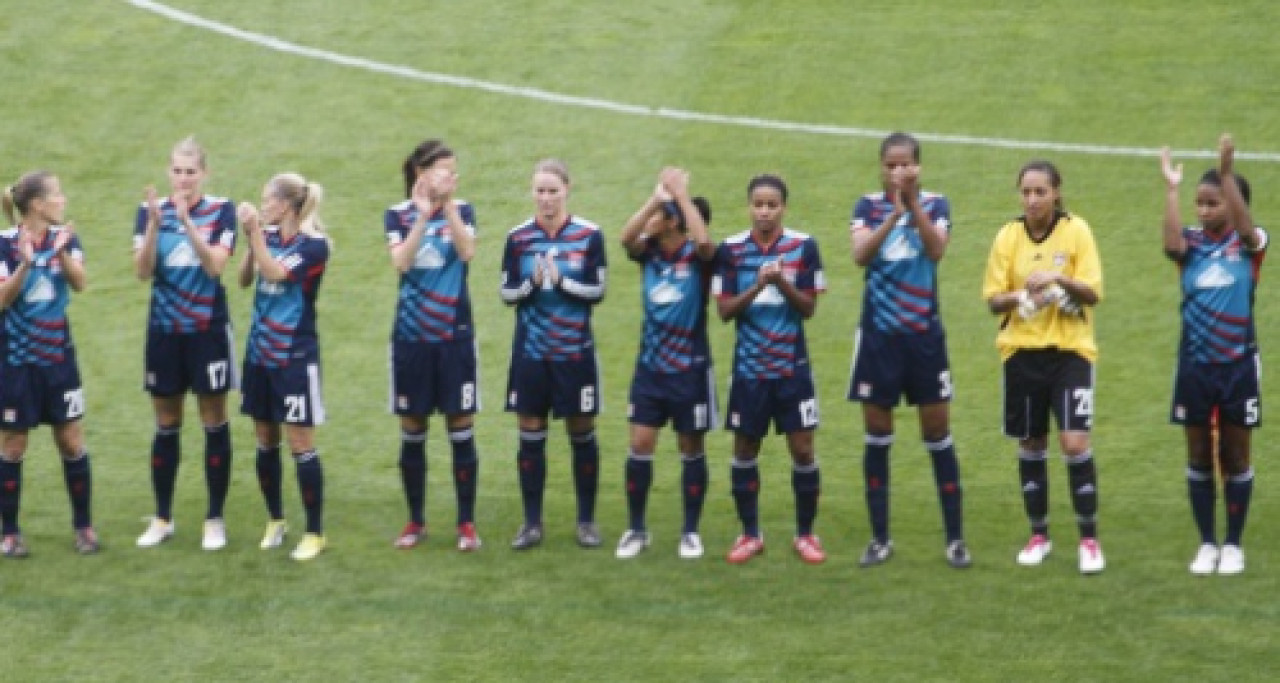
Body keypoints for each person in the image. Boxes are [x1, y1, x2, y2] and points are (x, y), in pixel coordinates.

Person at [848, 132, 969, 569]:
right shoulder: (866, 207)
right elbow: (860, 256)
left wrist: (913, 205)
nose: (898, 171)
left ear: (918, 167)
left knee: (937, 434)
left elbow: (936, 251)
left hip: (923, 339)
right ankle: (880, 539)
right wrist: (892, 217)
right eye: (891, 165)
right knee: (877, 435)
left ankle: (955, 540)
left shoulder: (936, 204)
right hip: (878, 339)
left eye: (905, 164)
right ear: (881, 167)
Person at [981, 160, 1105, 574]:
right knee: (1032, 443)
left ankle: (1089, 540)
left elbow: (1092, 292)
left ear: (1056, 193)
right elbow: (993, 299)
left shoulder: (1077, 231)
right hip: (1022, 354)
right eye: (1026, 192)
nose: (1032, 199)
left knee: (1074, 442)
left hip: (1071, 353)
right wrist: (1023, 296)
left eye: (1040, 192)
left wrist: (1058, 280)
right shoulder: (1008, 236)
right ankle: (1039, 535)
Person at [1161, 135, 1265, 575]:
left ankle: (1233, 545)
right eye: (1199, 203)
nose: (1203, 211)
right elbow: (1170, 246)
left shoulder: (1251, 244)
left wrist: (1226, 173)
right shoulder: (1190, 244)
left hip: (1238, 365)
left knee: (1236, 456)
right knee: (1200, 454)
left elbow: (1248, 230)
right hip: (1195, 365)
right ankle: (1207, 544)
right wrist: (1171, 190)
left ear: (1233, 203)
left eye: (1213, 202)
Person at [712, 174, 826, 565]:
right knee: (745, 449)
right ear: (749, 207)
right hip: (749, 371)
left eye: (772, 205)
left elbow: (808, 308)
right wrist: (759, 286)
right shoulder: (731, 250)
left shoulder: (803, 247)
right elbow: (724, 311)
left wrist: (782, 283)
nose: (764, 212)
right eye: (758, 205)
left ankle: (806, 535)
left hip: (793, 369)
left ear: (783, 208)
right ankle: (749, 534)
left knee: (803, 449)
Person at [133, 137, 239, 551]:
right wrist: (155, 225)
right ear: (168, 172)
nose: (183, 179)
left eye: (190, 172)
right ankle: (162, 518)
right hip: (164, 331)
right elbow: (142, 272)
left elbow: (215, 266)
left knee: (213, 418)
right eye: (177, 171)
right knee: (166, 422)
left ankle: (214, 519)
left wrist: (187, 224)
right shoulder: (148, 212)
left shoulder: (221, 210)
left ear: (204, 174)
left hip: (207, 331)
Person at [499, 158, 607, 550]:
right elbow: (507, 293)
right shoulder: (518, 239)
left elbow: (598, 291)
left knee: (581, 433)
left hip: (574, 354)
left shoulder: (589, 236)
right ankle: (531, 523)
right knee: (530, 435)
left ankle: (586, 522)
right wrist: (531, 284)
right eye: (540, 191)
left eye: (553, 191)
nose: (546, 198)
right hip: (531, 355)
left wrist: (562, 283)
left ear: (567, 191)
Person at [384, 140, 481, 551]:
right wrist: (423, 217)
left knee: (460, 428)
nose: (451, 177)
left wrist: (449, 207)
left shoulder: (465, 211)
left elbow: (467, 251)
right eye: (444, 170)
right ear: (421, 173)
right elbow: (401, 262)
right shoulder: (397, 215)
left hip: (455, 337)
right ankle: (415, 521)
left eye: (454, 171)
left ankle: (466, 525)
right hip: (412, 339)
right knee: (413, 430)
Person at [615, 167, 715, 560]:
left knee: (691, 447)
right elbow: (625, 237)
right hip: (650, 369)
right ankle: (636, 529)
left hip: (690, 371)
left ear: (673, 222)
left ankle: (690, 531)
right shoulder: (648, 254)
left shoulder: (698, 259)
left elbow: (704, 244)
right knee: (640, 445)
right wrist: (657, 199)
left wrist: (682, 197)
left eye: (657, 216)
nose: (648, 221)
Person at [0, 171, 97, 557]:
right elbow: (2, 300)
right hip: (16, 363)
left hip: (58, 360)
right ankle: (10, 534)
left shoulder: (65, 238)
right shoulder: (4, 245)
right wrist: (25, 265)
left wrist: (59, 253)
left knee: (71, 440)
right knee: (13, 445)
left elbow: (80, 283)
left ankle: (84, 528)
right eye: (57, 194)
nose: (63, 199)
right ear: (38, 205)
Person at [237, 172, 331, 561]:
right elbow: (244, 279)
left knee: (300, 444)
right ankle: (275, 520)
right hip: (259, 355)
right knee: (264, 439)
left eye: (268, 200)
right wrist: (253, 240)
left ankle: (315, 532)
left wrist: (255, 234)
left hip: (294, 358)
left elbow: (277, 272)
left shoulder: (314, 246)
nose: (263, 206)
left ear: (287, 205)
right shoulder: (268, 237)